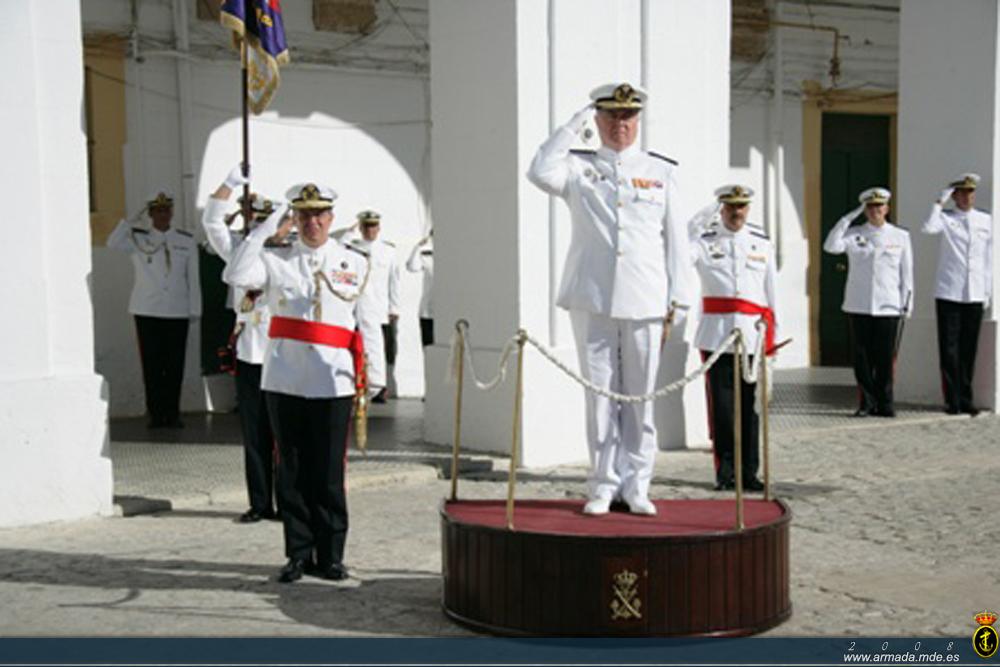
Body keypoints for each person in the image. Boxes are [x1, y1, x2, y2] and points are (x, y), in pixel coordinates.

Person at [527, 82, 692, 516]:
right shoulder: (579, 169)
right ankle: (602, 482)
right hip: (592, 296)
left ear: (638, 121)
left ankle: (638, 483)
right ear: (598, 120)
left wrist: (680, 299)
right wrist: (572, 126)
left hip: (645, 296)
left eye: (629, 117)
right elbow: (539, 170)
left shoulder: (661, 172)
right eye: (612, 117)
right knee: (599, 396)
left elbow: (676, 241)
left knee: (640, 398)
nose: (622, 125)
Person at [223, 181, 383, 583]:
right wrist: (264, 230)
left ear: (331, 219)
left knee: (328, 473)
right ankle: (298, 553)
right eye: (304, 214)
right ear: (293, 218)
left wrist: (376, 374)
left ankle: (330, 556)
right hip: (286, 379)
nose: (312, 222)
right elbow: (235, 273)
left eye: (319, 214)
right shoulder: (275, 260)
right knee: (290, 471)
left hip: (334, 380)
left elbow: (368, 320)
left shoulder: (355, 261)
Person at [202, 166, 294, 523]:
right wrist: (228, 185)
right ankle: (260, 502)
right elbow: (212, 224)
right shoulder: (242, 251)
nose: (264, 227)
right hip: (250, 354)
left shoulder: (292, 255)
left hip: (283, 357)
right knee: (255, 435)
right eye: (258, 221)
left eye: (270, 221)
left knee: (285, 437)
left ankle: (289, 502)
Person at [690, 185, 778, 492]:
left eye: (741, 207)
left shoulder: (761, 243)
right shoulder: (704, 242)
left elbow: (771, 292)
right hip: (717, 337)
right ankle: (725, 472)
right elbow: (681, 248)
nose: (736, 213)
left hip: (753, 335)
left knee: (750, 409)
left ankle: (749, 472)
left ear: (748, 209)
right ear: (721, 209)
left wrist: (771, 340)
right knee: (723, 409)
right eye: (729, 207)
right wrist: (706, 214)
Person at [107, 191, 201, 428]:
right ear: (150, 214)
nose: (163, 215)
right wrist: (132, 219)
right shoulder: (138, 239)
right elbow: (112, 242)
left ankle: (173, 412)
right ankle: (156, 414)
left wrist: (194, 309)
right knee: (151, 365)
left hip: (177, 310)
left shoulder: (185, 240)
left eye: (166, 210)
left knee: (175, 365)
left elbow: (193, 278)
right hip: (147, 310)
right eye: (157, 211)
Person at [823, 187, 913, 418]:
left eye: (880, 206)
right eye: (871, 207)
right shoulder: (853, 233)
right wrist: (847, 218)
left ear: (887, 208)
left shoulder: (900, 236)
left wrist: (907, 303)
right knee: (862, 359)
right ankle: (866, 403)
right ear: (865, 209)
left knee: (884, 358)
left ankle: (885, 403)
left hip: (888, 304)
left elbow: (906, 273)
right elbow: (830, 246)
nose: (876, 211)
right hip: (859, 304)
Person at [923, 173, 993, 416]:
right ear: (954, 197)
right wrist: (938, 202)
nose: (966, 197)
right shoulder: (945, 218)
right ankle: (952, 399)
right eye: (961, 193)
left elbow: (989, 260)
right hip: (949, 290)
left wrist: (987, 292)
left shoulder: (986, 220)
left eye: (970, 193)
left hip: (974, 292)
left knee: (968, 349)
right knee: (949, 348)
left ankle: (966, 398)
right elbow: (928, 228)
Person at [342, 210, 400, 403]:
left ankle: (378, 385)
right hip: (356, 306)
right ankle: (356, 382)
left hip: (380, 307)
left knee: (378, 348)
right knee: (354, 346)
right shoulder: (351, 248)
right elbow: (338, 247)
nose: (370, 230)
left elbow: (394, 281)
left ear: (379, 228)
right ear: (360, 228)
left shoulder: (388, 251)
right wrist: (348, 233)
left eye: (373, 226)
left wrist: (394, 307)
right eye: (366, 226)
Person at [405, 230, 434, 347]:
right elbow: (412, 266)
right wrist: (418, 247)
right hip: (428, 311)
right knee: (428, 347)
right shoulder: (427, 255)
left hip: (447, 311)